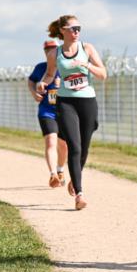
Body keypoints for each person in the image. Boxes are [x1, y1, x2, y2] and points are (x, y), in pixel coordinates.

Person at [36, 15, 107, 210]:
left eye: (79, 28)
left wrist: (87, 65)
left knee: (84, 148)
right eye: (73, 28)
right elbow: (50, 74)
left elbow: (103, 74)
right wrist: (43, 82)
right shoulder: (55, 54)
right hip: (66, 102)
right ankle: (80, 194)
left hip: (88, 102)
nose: (77, 32)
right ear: (62, 31)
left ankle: (74, 178)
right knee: (74, 146)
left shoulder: (87, 49)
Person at [28, 40, 68, 188]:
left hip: (64, 112)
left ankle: (60, 170)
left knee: (63, 145)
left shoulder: (66, 68)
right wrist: (34, 93)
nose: (50, 51)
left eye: (53, 48)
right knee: (51, 141)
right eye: (47, 49)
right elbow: (30, 81)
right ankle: (53, 175)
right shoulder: (41, 68)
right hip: (47, 111)